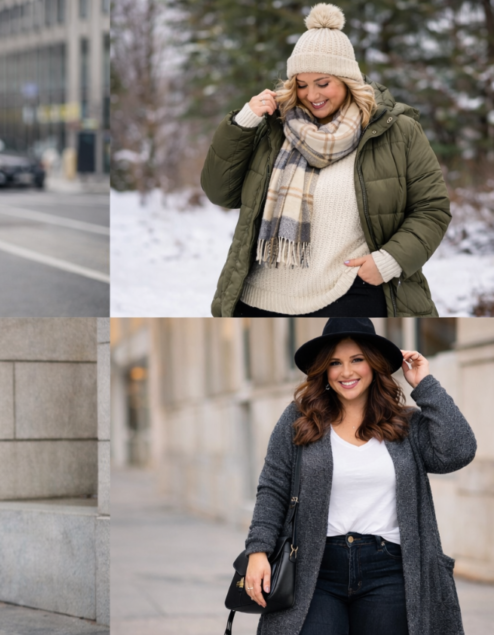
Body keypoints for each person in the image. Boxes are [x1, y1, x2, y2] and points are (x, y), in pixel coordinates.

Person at [201, 3, 450, 318]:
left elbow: (432, 208)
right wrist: (244, 122)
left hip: (350, 291)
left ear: (347, 80)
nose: (311, 94)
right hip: (260, 297)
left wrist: (390, 260)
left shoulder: (396, 130)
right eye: (301, 84)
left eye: (323, 83)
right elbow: (219, 192)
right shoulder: (275, 129)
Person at [242, 318, 475, 635]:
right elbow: (273, 489)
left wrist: (425, 385)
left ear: (374, 365)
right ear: (324, 370)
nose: (346, 372)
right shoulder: (299, 419)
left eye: (357, 360)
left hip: (390, 570)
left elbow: (458, 450)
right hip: (315, 567)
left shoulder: (404, 425)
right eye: (335, 363)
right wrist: (258, 551)